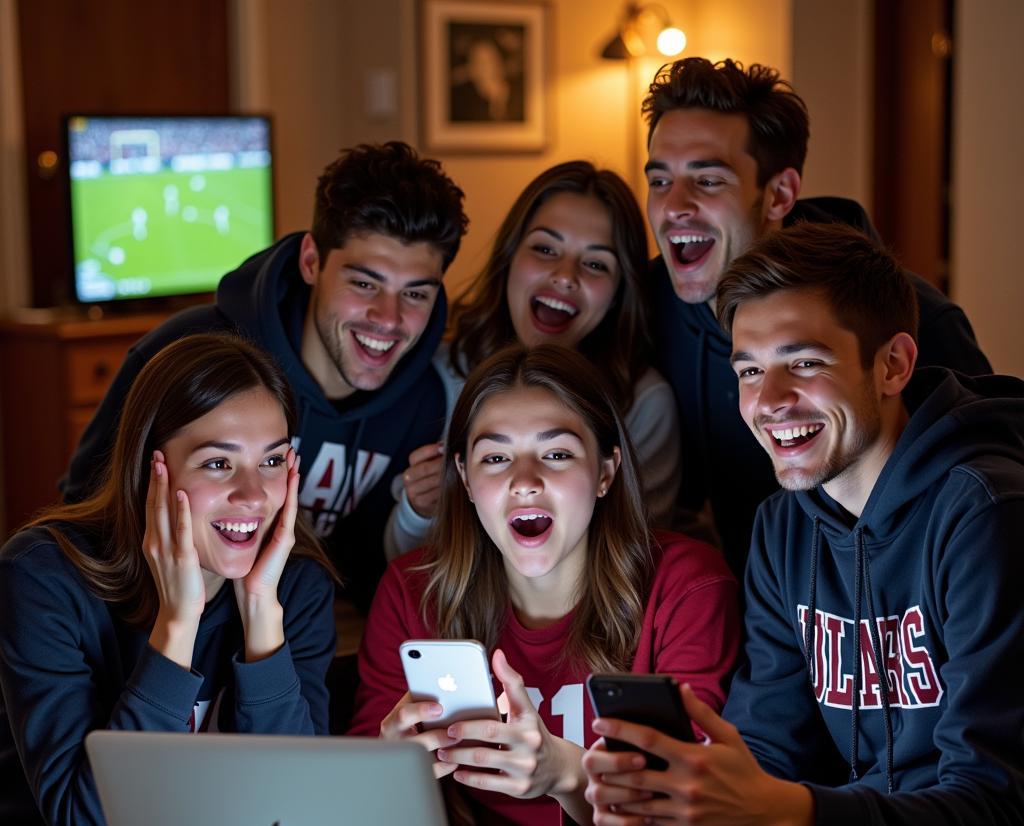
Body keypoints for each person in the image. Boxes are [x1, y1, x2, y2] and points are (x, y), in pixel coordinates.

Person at [548, 223, 1024, 826]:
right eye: (748, 370)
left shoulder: (985, 512)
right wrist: (663, 812)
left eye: (803, 363)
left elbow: (993, 825)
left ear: (892, 364)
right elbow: (770, 750)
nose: (768, 404)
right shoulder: (783, 526)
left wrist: (784, 811)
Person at [265, 345, 739, 826]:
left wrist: (563, 773)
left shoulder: (686, 585)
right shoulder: (413, 592)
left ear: (606, 470)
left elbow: (684, 819)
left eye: (556, 454)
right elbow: (360, 820)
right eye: (494, 457)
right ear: (462, 475)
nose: (523, 481)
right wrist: (390, 765)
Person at [0, 333, 338, 826]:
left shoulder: (292, 592)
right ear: (153, 470)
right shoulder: (43, 577)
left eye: (273, 460)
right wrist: (176, 628)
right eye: (218, 463)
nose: (253, 494)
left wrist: (262, 624)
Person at [62, 141, 468, 609]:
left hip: (300, 646)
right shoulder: (186, 354)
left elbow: (362, 575)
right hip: (150, 631)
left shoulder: (424, 403)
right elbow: (87, 514)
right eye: (364, 283)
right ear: (312, 261)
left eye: (416, 294)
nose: (388, 318)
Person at [642, 56, 992, 578]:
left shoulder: (913, 324)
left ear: (780, 194)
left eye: (708, 181)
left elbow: (991, 495)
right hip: (758, 615)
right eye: (660, 181)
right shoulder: (650, 304)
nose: (675, 207)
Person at [387, 161, 681, 558]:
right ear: (509, 256)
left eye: (595, 264)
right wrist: (419, 510)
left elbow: (633, 556)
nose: (564, 275)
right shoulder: (436, 373)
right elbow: (398, 569)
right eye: (545, 249)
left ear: (618, 291)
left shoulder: (643, 404)